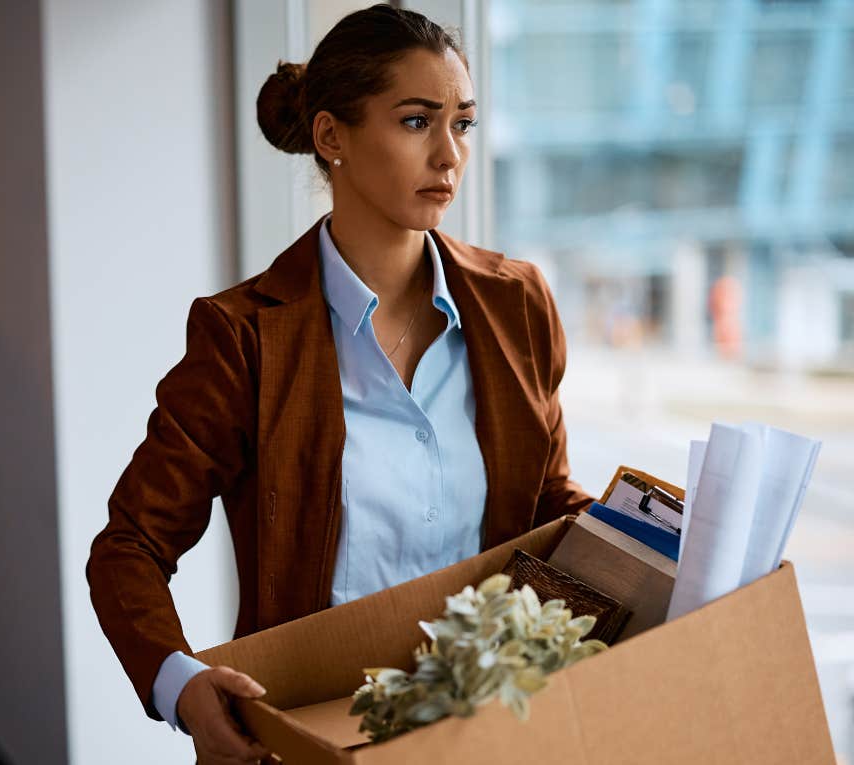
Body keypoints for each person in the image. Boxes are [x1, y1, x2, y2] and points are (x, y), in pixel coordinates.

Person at [86, 5, 594, 763]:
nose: (450, 156)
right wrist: (182, 684)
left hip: (496, 728)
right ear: (332, 138)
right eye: (418, 122)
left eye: (463, 122)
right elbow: (128, 545)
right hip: (317, 733)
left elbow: (549, 506)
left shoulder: (516, 303)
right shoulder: (244, 337)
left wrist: (663, 551)